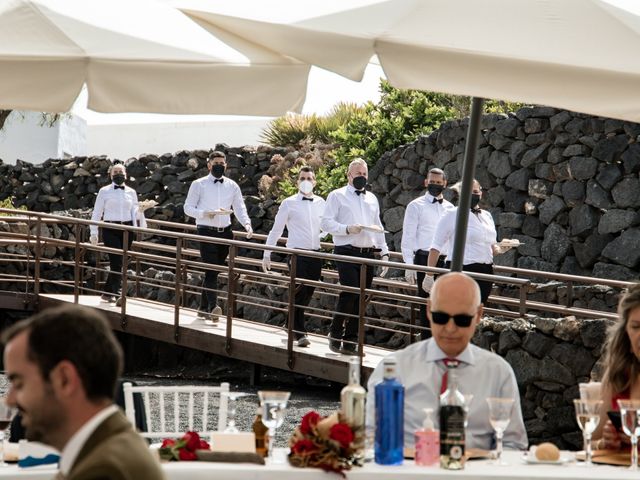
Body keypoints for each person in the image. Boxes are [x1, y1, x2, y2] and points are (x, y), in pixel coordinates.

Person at [366, 272, 528, 450]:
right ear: (428, 310)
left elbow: (513, 445)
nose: (450, 328)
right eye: (441, 317)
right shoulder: (394, 369)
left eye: (462, 320)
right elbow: (370, 437)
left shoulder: (498, 372)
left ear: (479, 314)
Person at [2, 304, 165, 480]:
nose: (9, 400)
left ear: (64, 379)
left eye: (19, 383)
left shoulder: (103, 471)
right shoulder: (108, 451)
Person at [320, 158, 390, 355]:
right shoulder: (337, 195)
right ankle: (335, 332)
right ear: (349, 175)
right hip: (346, 250)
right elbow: (325, 223)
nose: (362, 177)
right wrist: (347, 229)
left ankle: (351, 342)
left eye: (364, 174)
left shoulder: (372, 198)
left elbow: (378, 226)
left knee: (362, 297)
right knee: (350, 292)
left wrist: (383, 251)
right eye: (358, 173)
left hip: (367, 253)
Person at [184, 151, 253, 322]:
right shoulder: (198, 184)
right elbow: (187, 208)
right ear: (208, 165)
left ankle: (202, 308)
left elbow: (239, 207)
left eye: (222, 163)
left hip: (226, 232)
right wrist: (204, 213)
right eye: (215, 163)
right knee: (211, 269)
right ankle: (213, 307)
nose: (219, 165)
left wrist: (247, 224)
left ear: (226, 165)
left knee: (213, 272)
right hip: (206, 231)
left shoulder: (232, 185)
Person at [262, 167, 326, 348]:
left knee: (308, 292)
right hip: (296, 254)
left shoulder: (322, 202)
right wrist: (267, 253)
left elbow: (329, 223)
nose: (306, 180)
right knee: (299, 290)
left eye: (309, 177)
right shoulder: (288, 203)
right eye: (302, 178)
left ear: (314, 182)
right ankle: (299, 332)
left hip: (315, 253)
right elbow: (276, 229)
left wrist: (322, 235)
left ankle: (288, 321)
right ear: (297, 182)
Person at [427, 179, 511, 305]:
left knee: (477, 312)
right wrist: (429, 275)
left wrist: (503, 247)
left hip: (486, 272)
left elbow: (491, 248)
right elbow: (436, 246)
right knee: (459, 312)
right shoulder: (452, 214)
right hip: (461, 270)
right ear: (461, 194)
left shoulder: (487, 216)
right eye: (468, 192)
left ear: (481, 193)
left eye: (476, 191)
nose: (473, 195)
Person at [401, 167, 454, 337]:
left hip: (446, 261)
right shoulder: (415, 206)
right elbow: (408, 237)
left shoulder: (451, 208)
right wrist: (409, 264)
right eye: (432, 182)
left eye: (439, 182)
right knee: (426, 306)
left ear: (445, 184)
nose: (435, 185)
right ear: (426, 182)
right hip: (424, 260)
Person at [90, 161, 147, 304]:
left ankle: (107, 293)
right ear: (110, 175)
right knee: (116, 261)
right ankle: (117, 293)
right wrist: (93, 232)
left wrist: (140, 210)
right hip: (110, 228)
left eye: (121, 172)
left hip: (127, 229)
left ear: (126, 175)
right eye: (115, 172)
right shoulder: (104, 191)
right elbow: (97, 212)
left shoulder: (131, 192)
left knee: (121, 262)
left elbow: (134, 210)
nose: (118, 175)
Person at [594, 283, 640, 450]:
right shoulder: (619, 374)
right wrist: (605, 443)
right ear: (626, 333)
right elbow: (590, 444)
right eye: (635, 327)